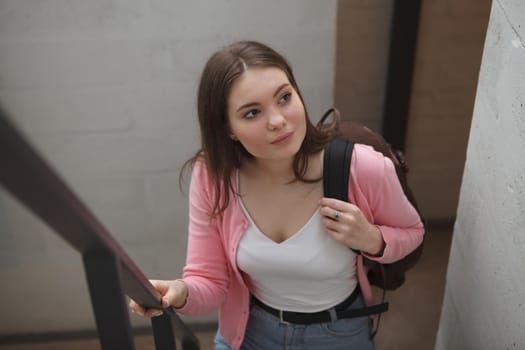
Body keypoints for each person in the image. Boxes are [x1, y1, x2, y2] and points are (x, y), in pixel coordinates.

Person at [129, 40, 424, 350]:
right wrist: (179, 292)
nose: (278, 121)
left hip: (339, 335)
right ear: (228, 129)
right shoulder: (213, 175)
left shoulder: (362, 167)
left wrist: (372, 239)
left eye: (284, 97)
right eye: (252, 112)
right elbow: (210, 280)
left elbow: (413, 232)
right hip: (250, 331)